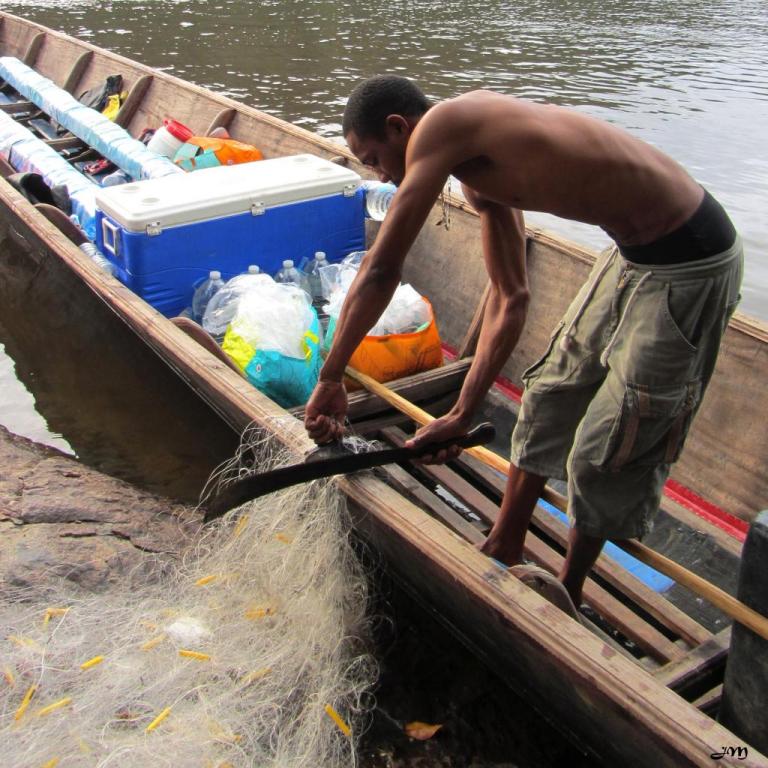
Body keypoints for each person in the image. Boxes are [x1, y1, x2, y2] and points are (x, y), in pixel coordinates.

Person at [304, 75, 743, 606]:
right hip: (631, 254)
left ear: (400, 128)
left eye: (373, 156)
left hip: (692, 260)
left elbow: (381, 270)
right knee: (549, 391)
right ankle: (506, 542)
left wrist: (331, 376)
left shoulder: (445, 124)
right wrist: (463, 412)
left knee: (611, 444)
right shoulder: (475, 176)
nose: (377, 172)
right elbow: (511, 297)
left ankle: (568, 590)